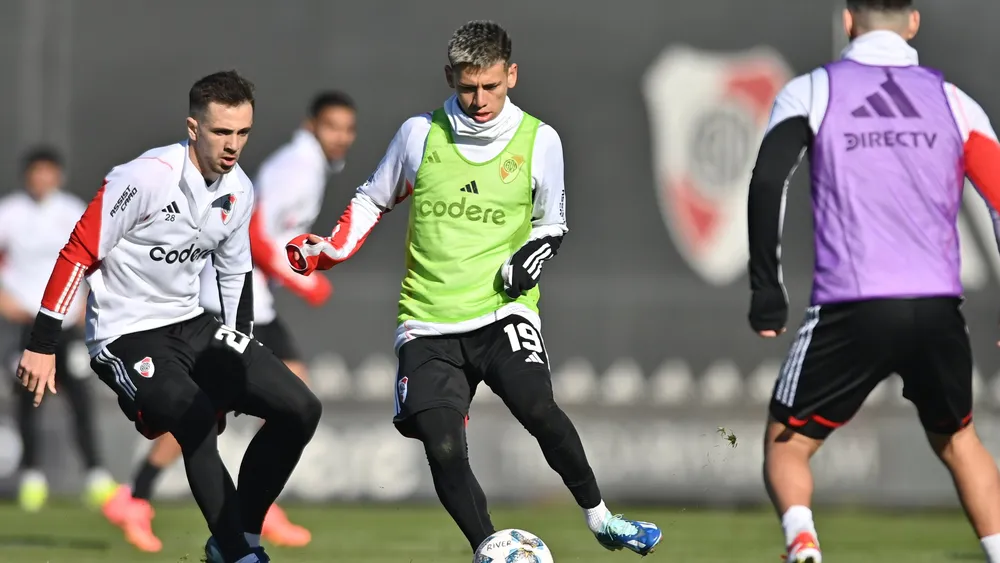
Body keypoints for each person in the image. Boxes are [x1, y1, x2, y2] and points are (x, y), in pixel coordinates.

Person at [285, 20, 661, 557]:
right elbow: (373, 198)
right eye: (467, 87)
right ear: (450, 77)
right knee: (441, 446)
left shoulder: (540, 139)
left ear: (511, 74)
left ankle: (601, 519)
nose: (480, 99)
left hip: (503, 313)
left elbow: (550, 223)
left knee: (537, 406)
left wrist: (530, 256)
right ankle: (491, 548)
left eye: (490, 85)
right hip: (428, 321)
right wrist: (329, 250)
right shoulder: (421, 134)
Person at [16, 70, 322, 563]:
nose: (233, 145)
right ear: (193, 127)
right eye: (222, 131)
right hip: (126, 334)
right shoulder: (143, 178)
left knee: (302, 409)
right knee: (198, 419)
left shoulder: (238, 189)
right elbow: (78, 252)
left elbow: (235, 275)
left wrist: (238, 354)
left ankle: (238, 535)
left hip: (189, 322)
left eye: (243, 132)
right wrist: (42, 343)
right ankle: (237, 551)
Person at [747, 2, 1000, 562]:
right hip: (936, 307)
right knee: (960, 440)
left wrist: (767, 289)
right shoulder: (956, 103)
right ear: (913, 21)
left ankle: (803, 544)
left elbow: (768, 181)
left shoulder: (813, 90)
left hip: (852, 306)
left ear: (847, 20)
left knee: (785, 446)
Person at [102, 91, 357, 551]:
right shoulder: (297, 166)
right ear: (311, 125)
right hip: (234, 301)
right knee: (253, 402)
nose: (341, 137)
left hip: (252, 302)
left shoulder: (310, 167)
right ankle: (227, 510)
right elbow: (255, 235)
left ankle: (149, 496)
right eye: (332, 126)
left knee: (256, 403)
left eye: (348, 129)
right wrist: (303, 280)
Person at [0, 147, 117, 512]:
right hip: (26, 323)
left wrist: (87, 303)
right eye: (36, 172)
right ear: (27, 176)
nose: (41, 179)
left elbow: (96, 258)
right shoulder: (10, 212)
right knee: (29, 397)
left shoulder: (70, 209)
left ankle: (97, 476)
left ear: (58, 175)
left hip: (65, 323)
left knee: (80, 397)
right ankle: (32, 476)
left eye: (48, 172)